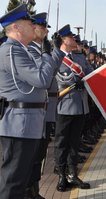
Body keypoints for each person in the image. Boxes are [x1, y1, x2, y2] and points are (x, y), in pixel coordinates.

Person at [0, 4, 61, 199]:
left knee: (22, 179)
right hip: (18, 124)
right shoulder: (11, 50)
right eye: (29, 22)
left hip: (28, 123)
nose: (33, 26)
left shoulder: (22, 50)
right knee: (12, 182)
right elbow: (42, 79)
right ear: (16, 27)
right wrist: (45, 53)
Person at [26, 12, 64, 199]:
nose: (46, 30)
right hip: (32, 112)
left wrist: (53, 50)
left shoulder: (39, 49)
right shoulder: (30, 50)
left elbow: (52, 69)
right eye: (43, 27)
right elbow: (46, 75)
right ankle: (28, 191)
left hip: (43, 109)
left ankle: (34, 191)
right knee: (30, 158)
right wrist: (50, 51)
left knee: (39, 154)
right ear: (33, 27)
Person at [54, 24, 90, 192]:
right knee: (62, 143)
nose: (74, 39)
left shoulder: (80, 58)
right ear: (63, 40)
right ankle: (61, 175)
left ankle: (73, 174)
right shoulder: (56, 57)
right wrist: (71, 82)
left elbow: (90, 73)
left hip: (80, 106)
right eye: (70, 37)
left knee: (75, 143)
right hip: (65, 105)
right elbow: (55, 79)